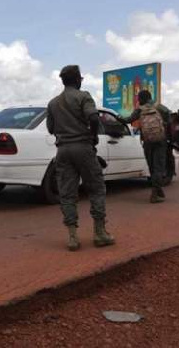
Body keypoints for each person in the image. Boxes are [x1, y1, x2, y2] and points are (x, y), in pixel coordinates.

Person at [46, 65, 115, 251]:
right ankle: (100, 233)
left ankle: (72, 237)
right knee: (96, 188)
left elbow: (50, 128)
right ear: (78, 80)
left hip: (63, 151)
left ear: (62, 80)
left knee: (67, 193)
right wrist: (93, 135)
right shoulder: (83, 96)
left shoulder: (53, 103)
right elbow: (93, 117)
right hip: (83, 148)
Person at [122, 90, 171, 203]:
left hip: (147, 141)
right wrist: (164, 126)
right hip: (160, 140)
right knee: (159, 167)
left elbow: (128, 119)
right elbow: (168, 118)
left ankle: (157, 191)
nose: (138, 100)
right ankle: (156, 193)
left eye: (139, 98)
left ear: (143, 98)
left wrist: (118, 118)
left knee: (152, 167)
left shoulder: (140, 109)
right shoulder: (160, 107)